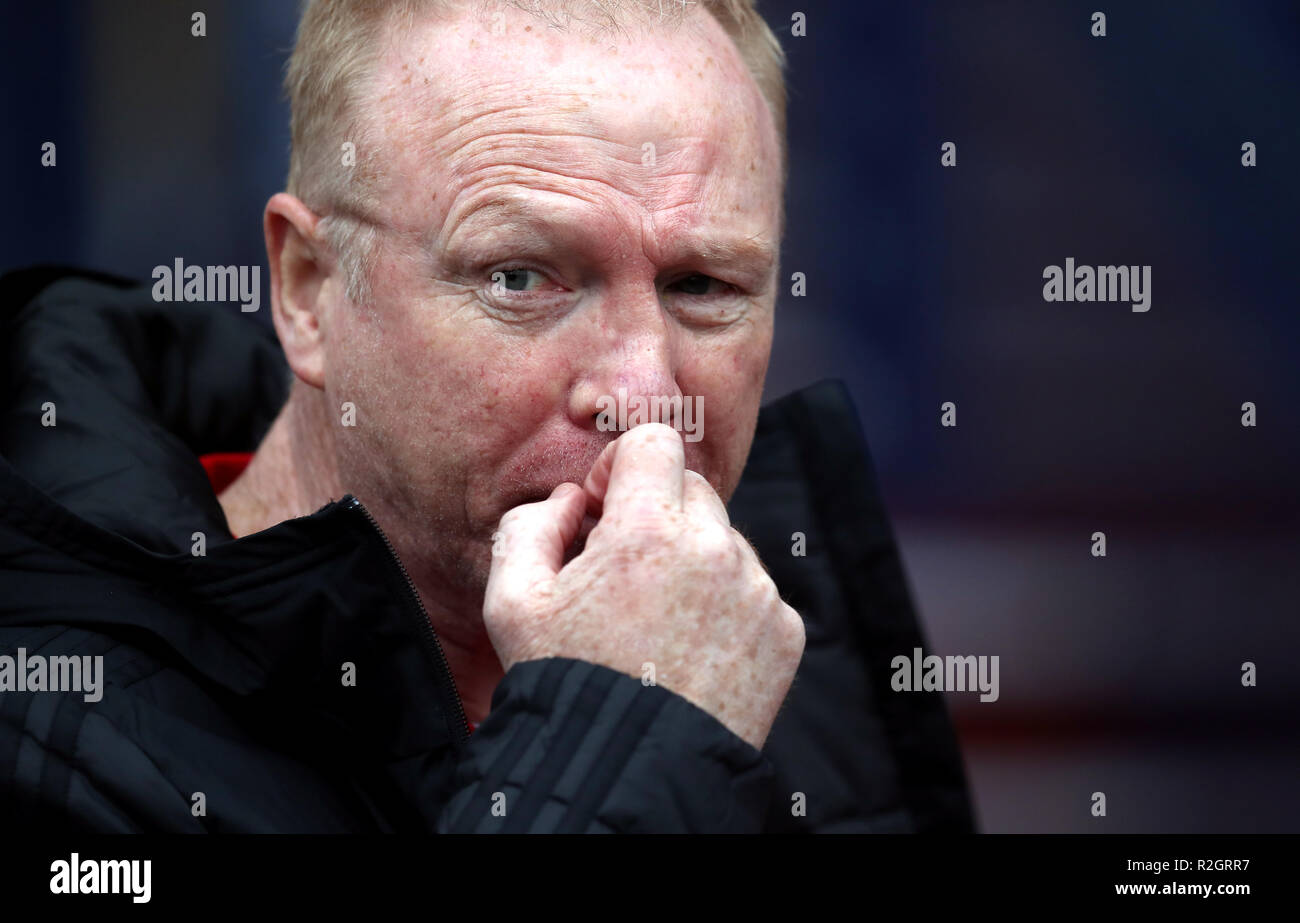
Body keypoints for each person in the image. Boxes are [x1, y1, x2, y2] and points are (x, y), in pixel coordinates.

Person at [0, 0, 973, 833]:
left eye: (703, 283)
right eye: (519, 276)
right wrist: (630, 735)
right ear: (308, 289)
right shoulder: (51, 728)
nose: (642, 393)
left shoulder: (748, 636)